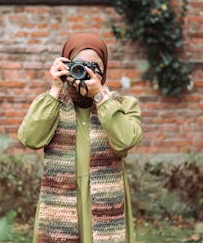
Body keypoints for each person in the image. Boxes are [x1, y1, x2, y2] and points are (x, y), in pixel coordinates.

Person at [18, 33, 143, 243]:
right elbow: (29, 138)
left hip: (106, 201)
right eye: (79, 65)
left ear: (103, 72)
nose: (85, 72)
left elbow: (127, 140)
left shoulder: (122, 104)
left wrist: (100, 96)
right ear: (66, 65)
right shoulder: (51, 103)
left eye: (94, 66)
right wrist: (55, 88)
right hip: (60, 199)